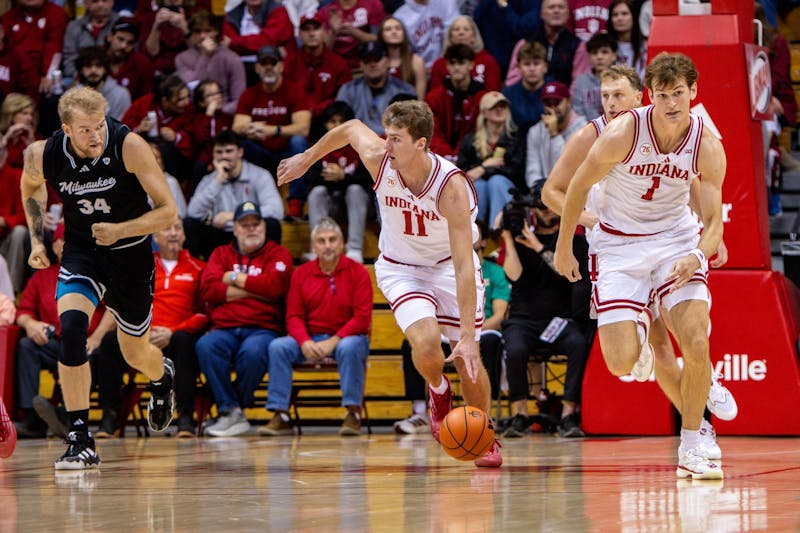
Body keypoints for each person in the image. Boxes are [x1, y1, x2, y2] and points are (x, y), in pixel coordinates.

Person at [278, 99, 503, 467]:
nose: (387, 144)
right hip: (402, 267)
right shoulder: (379, 158)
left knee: (468, 360)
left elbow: (464, 265)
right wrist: (307, 158)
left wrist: (466, 338)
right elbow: (350, 127)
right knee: (427, 343)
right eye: (387, 135)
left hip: (449, 267)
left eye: (397, 138)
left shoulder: (451, 187)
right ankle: (437, 389)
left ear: (421, 144)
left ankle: (484, 434)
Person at [543, 64, 737, 459]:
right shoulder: (607, 133)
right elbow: (564, 189)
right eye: (605, 96)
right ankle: (642, 332)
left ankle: (694, 439)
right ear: (649, 96)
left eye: (618, 95)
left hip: (673, 240)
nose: (611, 102)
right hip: (618, 245)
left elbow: (695, 186)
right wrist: (568, 242)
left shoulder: (703, 142)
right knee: (624, 362)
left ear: (636, 96)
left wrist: (705, 243)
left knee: (695, 340)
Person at [20, 86, 179, 469]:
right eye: (86, 130)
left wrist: (121, 230)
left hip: (130, 255)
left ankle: (161, 378)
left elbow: (168, 212)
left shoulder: (129, 145)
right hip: (82, 251)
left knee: (134, 353)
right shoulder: (43, 153)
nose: (96, 135)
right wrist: (38, 240)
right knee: (71, 330)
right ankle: (80, 438)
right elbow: (31, 188)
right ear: (66, 129)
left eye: (99, 126)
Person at [94, 218, 208, 438]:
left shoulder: (199, 268)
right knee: (109, 343)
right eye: (167, 228)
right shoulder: (141, 266)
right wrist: (143, 332)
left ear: (184, 236)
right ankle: (110, 416)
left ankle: (186, 418)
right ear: (155, 236)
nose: (173, 233)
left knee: (184, 341)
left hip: (176, 338)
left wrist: (173, 331)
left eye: (178, 229)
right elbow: (123, 302)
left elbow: (205, 313)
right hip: (142, 337)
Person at [262, 217, 372, 436]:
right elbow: (293, 316)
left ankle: (353, 413)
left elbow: (362, 318)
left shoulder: (358, 272)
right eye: (322, 241)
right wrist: (304, 341)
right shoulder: (301, 273)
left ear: (342, 244)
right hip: (310, 338)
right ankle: (281, 415)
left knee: (350, 347)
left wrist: (334, 341)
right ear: (314, 247)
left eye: (333, 240)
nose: (328, 245)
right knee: (278, 347)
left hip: (346, 339)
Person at [498, 183, 591, 438]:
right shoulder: (518, 238)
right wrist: (508, 236)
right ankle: (520, 413)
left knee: (579, 343)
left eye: (551, 205)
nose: (547, 211)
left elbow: (568, 274)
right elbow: (513, 276)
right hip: (523, 319)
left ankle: (568, 414)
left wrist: (538, 247)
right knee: (515, 348)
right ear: (531, 208)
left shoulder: (575, 241)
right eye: (540, 205)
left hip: (559, 319)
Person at [196, 201, 293, 437]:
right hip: (224, 328)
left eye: (255, 224)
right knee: (205, 346)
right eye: (244, 224)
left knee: (253, 352)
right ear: (235, 229)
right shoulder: (221, 254)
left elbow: (274, 288)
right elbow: (208, 290)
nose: (251, 229)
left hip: (263, 328)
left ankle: (230, 411)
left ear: (263, 227)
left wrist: (232, 278)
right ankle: (233, 411)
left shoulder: (278, 254)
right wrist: (254, 290)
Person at [13, 225, 110, 438]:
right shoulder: (41, 277)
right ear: (55, 245)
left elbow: (112, 310)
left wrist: (96, 336)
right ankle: (31, 420)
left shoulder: (94, 272)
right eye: (63, 240)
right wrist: (31, 325)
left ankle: (69, 416)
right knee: (26, 346)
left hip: (87, 342)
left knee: (90, 355)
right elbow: (22, 311)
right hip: (55, 341)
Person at [232, 45, 311, 218]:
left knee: (298, 141)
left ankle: (296, 201)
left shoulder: (294, 91)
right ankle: (248, 199)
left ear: (281, 66)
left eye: (273, 63)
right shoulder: (250, 94)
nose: (268, 67)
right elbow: (237, 126)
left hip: (286, 152)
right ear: (257, 67)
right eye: (263, 63)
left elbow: (303, 128)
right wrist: (250, 130)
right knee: (242, 144)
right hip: (262, 151)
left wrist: (271, 130)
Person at [186, 130, 283, 258]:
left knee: (272, 225)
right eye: (219, 152)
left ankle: (266, 265)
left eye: (229, 151)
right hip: (221, 236)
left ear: (240, 152)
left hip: (251, 233)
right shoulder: (210, 180)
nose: (224, 156)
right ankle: (198, 269)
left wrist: (235, 216)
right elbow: (192, 212)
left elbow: (276, 210)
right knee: (189, 224)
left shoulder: (260, 175)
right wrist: (218, 181)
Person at [304, 101, 372, 264]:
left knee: (355, 190)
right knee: (316, 193)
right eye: (332, 122)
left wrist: (343, 177)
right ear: (325, 124)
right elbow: (312, 178)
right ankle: (316, 248)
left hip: (359, 205)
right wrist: (335, 178)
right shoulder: (318, 147)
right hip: (331, 204)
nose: (337, 126)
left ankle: (355, 249)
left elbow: (368, 179)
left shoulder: (362, 146)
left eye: (342, 122)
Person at [457, 91, 525, 225]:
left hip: (508, 189)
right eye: (494, 107)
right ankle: (475, 236)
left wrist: (483, 169)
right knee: (479, 185)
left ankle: (497, 233)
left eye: (503, 106)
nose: (499, 110)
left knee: (496, 182)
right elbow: (462, 172)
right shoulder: (470, 139)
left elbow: (517, 172)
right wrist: (486, 166)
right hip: (480, 186)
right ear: (484, 112)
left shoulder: (516, 137)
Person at [335, 41, 417, 135]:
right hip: (356, 145)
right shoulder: (347, 90)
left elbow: (413, 128)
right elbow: (339, 125)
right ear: (361, 64)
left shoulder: (404, 90)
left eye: (377, 59)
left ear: (387, 62)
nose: (372, 64)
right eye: (367, 60)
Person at [175, 11, 246, 116]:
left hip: (224, 115)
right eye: (197, 32)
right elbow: (195, 88)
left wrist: (218, 110)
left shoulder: (231, 58)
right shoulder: (181, 58)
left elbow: (240, 100)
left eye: (207, 31)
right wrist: (205, 56)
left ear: (216, 32)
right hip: (193, 116)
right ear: (191, 33)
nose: (203, 36)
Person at [425, 44, 486, 163]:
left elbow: (478, 131)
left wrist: (460, 156)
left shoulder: (481, 97)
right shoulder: (434, 97)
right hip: (440, 159)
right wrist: (446, 155)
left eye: (461, 63)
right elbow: (432, 130)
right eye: (452, 63)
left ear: (471, 64)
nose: (456, 67)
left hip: (471, 159)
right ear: (447, 66)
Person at [525, 81, 587, 187]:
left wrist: (554, 134)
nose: (552, 108)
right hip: (543, 193)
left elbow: (568, 168)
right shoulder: (535, 131)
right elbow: (532, 170)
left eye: (557, 102)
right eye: (548, 103)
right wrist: (537, 189)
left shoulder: (584, 130)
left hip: (572, 192)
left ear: (568, 101)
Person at [429, 15, 502, 92]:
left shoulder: (489, 61)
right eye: (457, 29)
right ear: (450, 37)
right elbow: (435, 95)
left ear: (474, 36)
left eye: (466, 29)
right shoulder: (439, 64)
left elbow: (493, 94)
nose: (461, 33)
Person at [316, 0, 386, 71]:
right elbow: (320, 53)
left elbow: (379, 40)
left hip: (365, 67)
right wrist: (333, 32)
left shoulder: (373, 4)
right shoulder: (324, 12)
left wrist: (356, 33)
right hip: (334, 69)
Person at [61, 0, 119, 81]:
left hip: (113, 78)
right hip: (80, 78)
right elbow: (69, 61)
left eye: (105, 0)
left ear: (112, 2)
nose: (100, 4)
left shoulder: (121, 25)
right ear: (86, 3)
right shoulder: (74, 26)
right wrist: (85, 75)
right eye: (95, 1)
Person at [73, 46, 132, 120]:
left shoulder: (121, 95)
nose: (93, 70)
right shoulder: (71, 96)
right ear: (81, 70)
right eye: (88, 65)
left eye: (98, 65)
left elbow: (121, 128)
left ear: (105, 69)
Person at [378, 16, 427, 100]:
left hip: (409, 110)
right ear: (381, 35)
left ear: (404, 34)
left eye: (398, 28)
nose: (394, 32)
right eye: (388, 29)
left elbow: (420, 99)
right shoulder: (376, 61)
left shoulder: (416, 61)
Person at [106, 19, 155, 102]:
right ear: (110, 37)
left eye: (130, 43)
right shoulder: (95, 58)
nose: (124, 46)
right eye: (120, 39)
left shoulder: (142, 64)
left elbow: (146, 99)